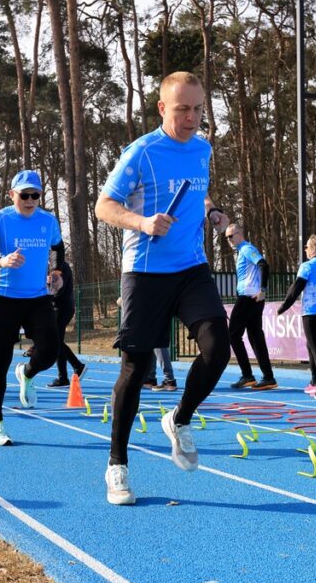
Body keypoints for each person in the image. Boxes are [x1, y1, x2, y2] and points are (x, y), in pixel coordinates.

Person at [95, 71, 232, 506]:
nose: (191, 118)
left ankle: (180, 418)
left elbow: (199, 193)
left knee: (218, 347)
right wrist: (142, 222)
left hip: (191, 267)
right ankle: (117, 465)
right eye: (182, 110)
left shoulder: (203, 149)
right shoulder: (141, 153)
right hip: (146, 270)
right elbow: (103, 206)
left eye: (197, 109)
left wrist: (212, 212)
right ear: (162, 109)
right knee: (135, 370)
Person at [0, 169, 64, 446]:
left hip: (37, 298)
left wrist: (57, 272)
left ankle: (28, 373)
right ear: (13, 195)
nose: (31, 199)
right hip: (4, 299)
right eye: (25, 195)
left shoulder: (48, 221)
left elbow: (58, 247)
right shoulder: (0, 219)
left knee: (50, 352)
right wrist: (1, 261)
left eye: (36, 195)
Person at [225, 224, 277, 390]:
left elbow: (263, 264)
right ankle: (268, 377)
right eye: (226, 237)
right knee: (255, 336)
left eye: (231, 236)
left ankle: (247, 375)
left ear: (240, 234)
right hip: (252, 297)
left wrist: (263, 289)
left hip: (249, 297)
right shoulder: (241, 251)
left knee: (233, 334)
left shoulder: (247, 248)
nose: (228, 240)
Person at [276, 235, 316, 395]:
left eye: (306, 247)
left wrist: (283, 306)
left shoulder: (307, 266)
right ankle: (315, 380)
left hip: (311, 311)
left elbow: (296, 288)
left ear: (313, 249)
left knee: (315, 348)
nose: (305, 249)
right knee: (315, 347)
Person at [46, 259, 88, 388]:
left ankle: (77, 366)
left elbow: (58, 291)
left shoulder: (59, 267)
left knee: (56, 341)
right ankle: (63, 377)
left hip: (61, 308)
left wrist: (47, 291)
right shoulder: (57, 266)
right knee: (58, 342)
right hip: (61, 307)